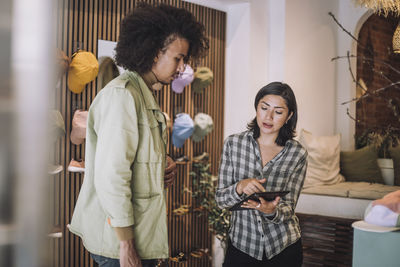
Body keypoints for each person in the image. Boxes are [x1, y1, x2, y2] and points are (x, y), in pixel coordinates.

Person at [69, 3, 209, 267]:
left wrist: (161, 163)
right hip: (119, 243)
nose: (182, 67)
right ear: (155, 52)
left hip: (138, 235)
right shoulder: (123, 95)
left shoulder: (142, 93)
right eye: (178, 58)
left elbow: (133, 156)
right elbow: (113, 174)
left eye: (185, 60)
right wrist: (126, 245)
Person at [216, 82, 308, 267]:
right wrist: (240, 187)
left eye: (278, 112)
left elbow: (289, 208)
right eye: (264, 108)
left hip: (283, 247)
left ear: (289, 116)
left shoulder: (297, 153)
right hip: (242, 246)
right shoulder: (233, 144)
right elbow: (221, 200)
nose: (268, 116)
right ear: (256, 107)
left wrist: (272, 211)